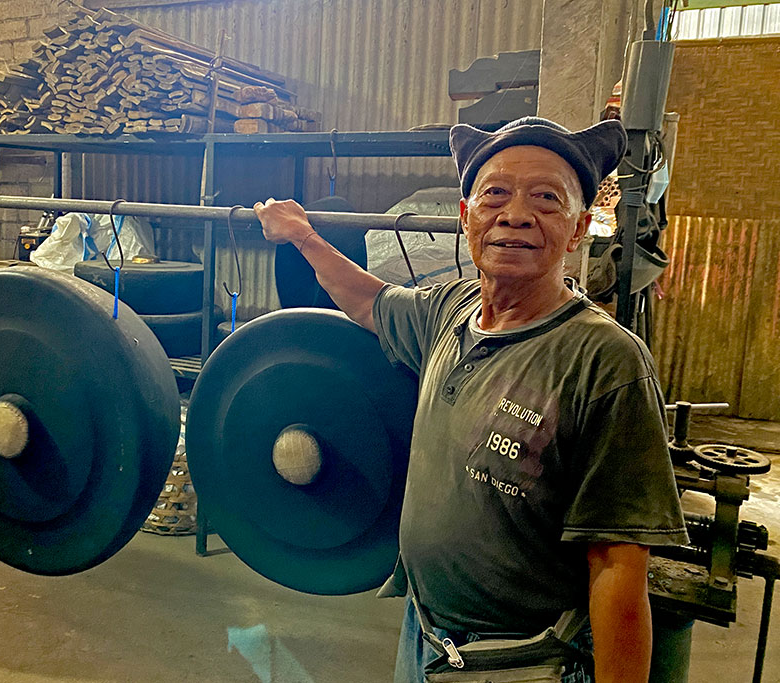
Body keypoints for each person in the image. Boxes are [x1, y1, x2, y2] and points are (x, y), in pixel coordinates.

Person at [253, 117, 687, 683]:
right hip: (425, 638)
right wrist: (303, 236)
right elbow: (368, 301)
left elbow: (618, 569)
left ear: (579, 228)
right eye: (496, 194)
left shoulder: (603, 361)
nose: (515, 215)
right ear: (466, 216)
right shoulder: (451, 311)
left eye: (546, 199)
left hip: (524, 661)